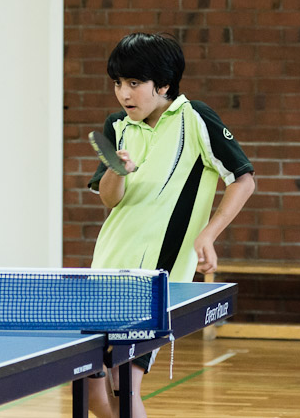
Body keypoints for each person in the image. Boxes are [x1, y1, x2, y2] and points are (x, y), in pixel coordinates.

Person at [87, 32, 256, 418]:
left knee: (124, 386)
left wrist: (208, 234)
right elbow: (110, 199)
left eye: (134, 83)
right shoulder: (117, 125)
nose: (124, 94)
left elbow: (243, 180)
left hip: (154, 281)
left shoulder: (194, 118)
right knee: (92, 396)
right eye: (117, 83)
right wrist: (117, 170)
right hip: (106, 271)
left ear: (163, 85)